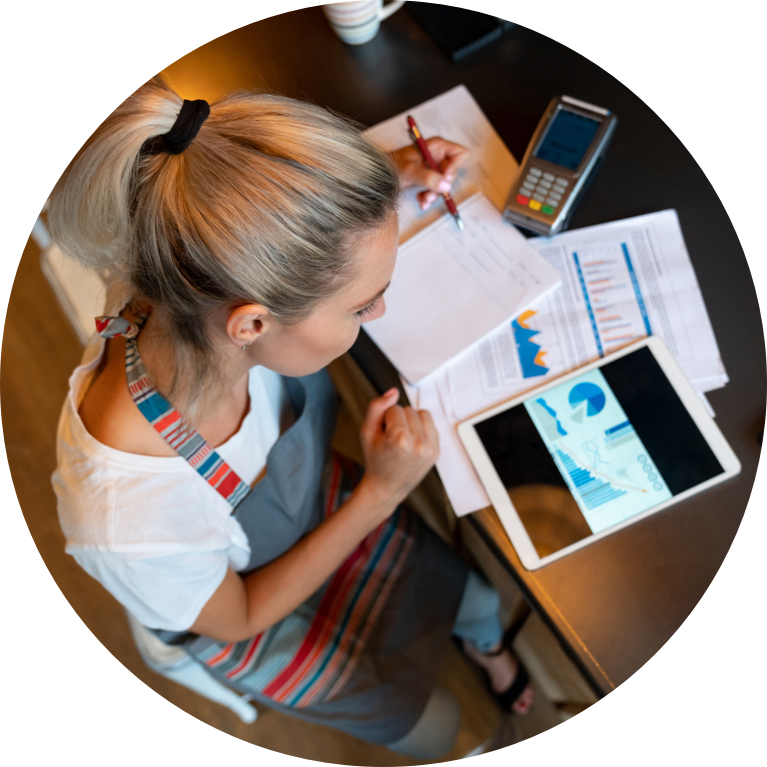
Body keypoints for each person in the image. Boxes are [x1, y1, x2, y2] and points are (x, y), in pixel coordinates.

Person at [48, 75, 533, 759]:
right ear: (251, 322)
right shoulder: (129, 518)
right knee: (434, 726)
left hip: (301, 503)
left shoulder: (176, 266)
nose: (378, 315)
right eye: (363, 304)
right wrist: (380, 493)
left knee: (475, 598)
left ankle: (486, 645)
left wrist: (387, 181)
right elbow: (239, 618)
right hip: (241, 605)